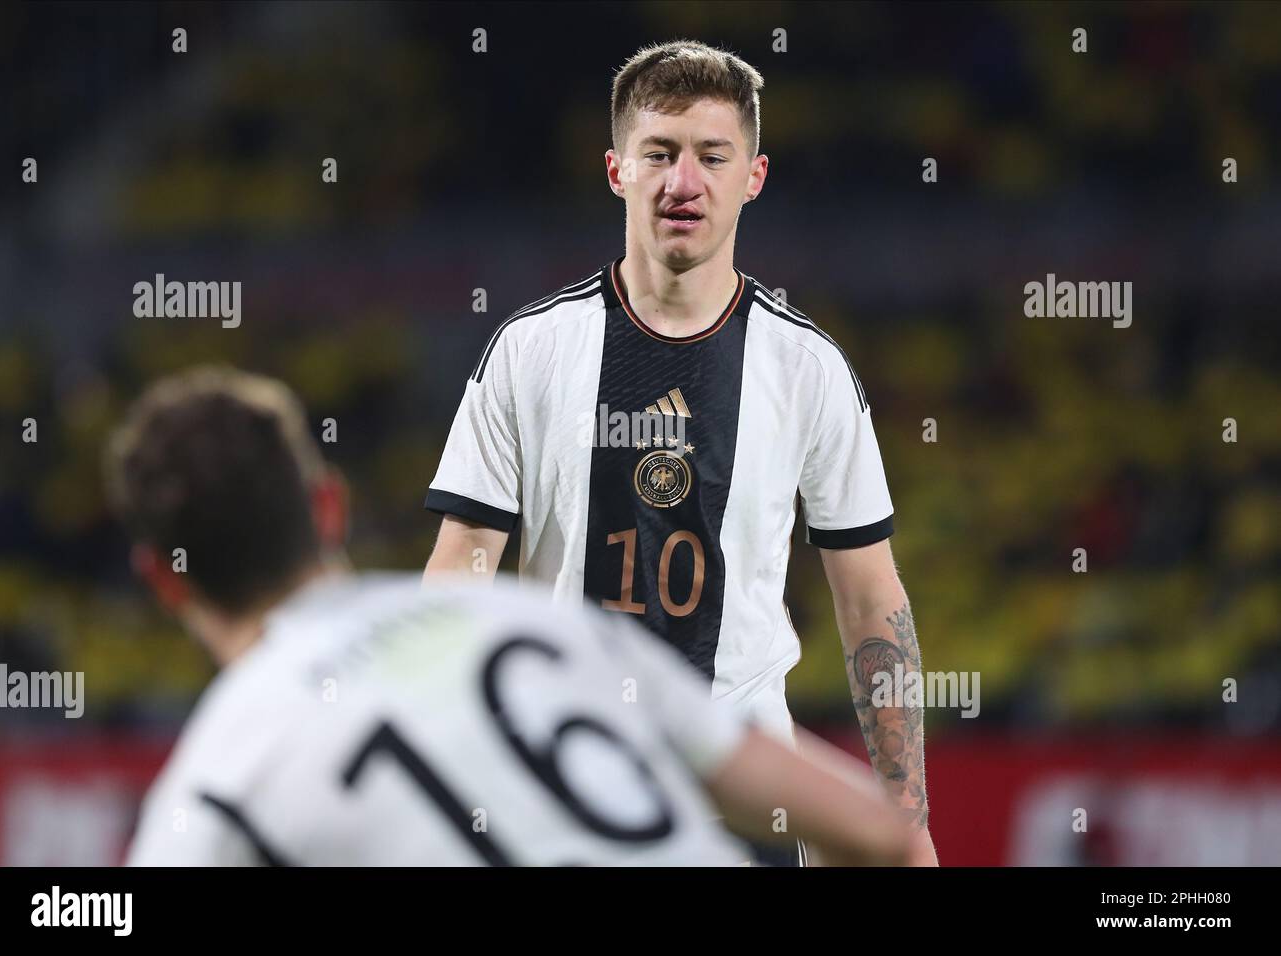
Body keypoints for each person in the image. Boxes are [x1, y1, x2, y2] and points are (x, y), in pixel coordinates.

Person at [424, 40, 936, 865]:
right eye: (658, 154)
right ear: (617, 170)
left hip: (743, 799)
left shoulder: (808, 369)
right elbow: (461, 573)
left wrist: (906, 814)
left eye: (711, 156)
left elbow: (871, 595)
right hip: (563, 781)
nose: (683, 182)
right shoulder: (530, 350)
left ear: (753, 177)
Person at [107, 366, 919, 866]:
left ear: (163, 580)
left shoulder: (219, 774)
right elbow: (877, 834)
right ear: (329, 505)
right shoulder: (546, 627)